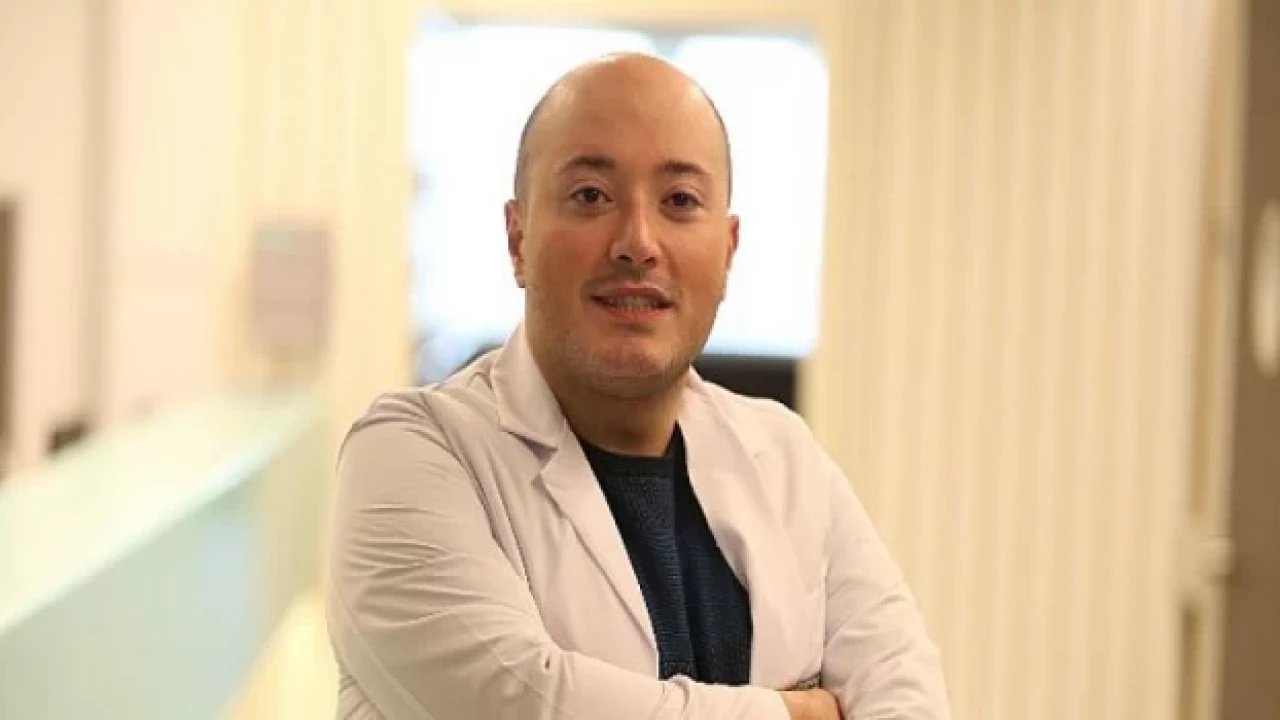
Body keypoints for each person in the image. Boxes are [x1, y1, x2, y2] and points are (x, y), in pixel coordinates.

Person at [325, 53, 950, 719]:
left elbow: (907, 692)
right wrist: (798, 712)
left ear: (728, 250)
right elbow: (530, 704)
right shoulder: (411, 454)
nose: (638, 243)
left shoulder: (784, 455)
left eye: (680, 201)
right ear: (517, 238)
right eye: (591, 195)